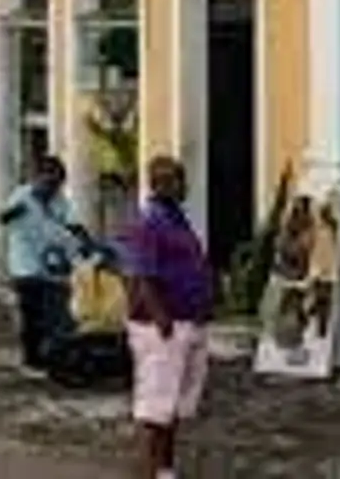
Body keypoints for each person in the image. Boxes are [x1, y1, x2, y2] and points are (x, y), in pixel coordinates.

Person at [120, 156, 219, 479]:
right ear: (159, 184)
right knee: (155, 408)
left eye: (181, 178)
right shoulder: (150, 222)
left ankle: (165, 469)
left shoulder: (177, 219)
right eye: (176, 180)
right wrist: (161, 318)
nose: (183, 186)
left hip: (189, 320)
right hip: (163, 326)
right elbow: (143, 275)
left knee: (174, 405)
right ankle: (149, 470)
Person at [4, 152, 85, 374]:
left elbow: (73, 224)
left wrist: (84, 242)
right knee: (32, 314)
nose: (52, 187)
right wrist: (15, 213)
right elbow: (4, 218)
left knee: (55, 313)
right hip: (25, 266)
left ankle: (51, 355)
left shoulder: (61, 201)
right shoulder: (21, 196)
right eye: (48, 181)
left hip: (53, 266)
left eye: (57, 182)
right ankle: (31, 358)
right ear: (37, 177)